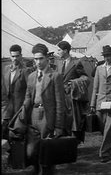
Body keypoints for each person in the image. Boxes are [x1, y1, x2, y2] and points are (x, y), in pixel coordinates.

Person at [23, 43, 66, 174]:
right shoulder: (31, 77)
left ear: (47, 58)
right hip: (33, 116)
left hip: (47, 117)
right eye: (36, 59)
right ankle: (38, 170)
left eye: (41, 58)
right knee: (31, 152)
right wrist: (22, 115)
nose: (38, 62)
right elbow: (27, 97)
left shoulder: (55, 76)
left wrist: (58, 126)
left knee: (46, 154)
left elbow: (60, 103)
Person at [56, 41, 89, 143]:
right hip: (60, 97)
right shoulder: (58, 63)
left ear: (65, 50)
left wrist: (75, 82)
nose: (58, 52)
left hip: (72, 97)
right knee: (63, 120)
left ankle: (76, 141)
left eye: (59, 50)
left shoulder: (76, 63)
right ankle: (65, 142)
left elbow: (85, 78)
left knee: (74, 121)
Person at [2, 44, 32, 140]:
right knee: (4, 133)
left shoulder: (25, 70)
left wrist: (24, 107)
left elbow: (30, 90)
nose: (15, 58)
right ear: (10, 56)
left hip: (19, 108)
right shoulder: (6, 69)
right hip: (6, 108)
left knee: (16, 135)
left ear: (21, 56)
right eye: (13, 56)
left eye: (17, 56)